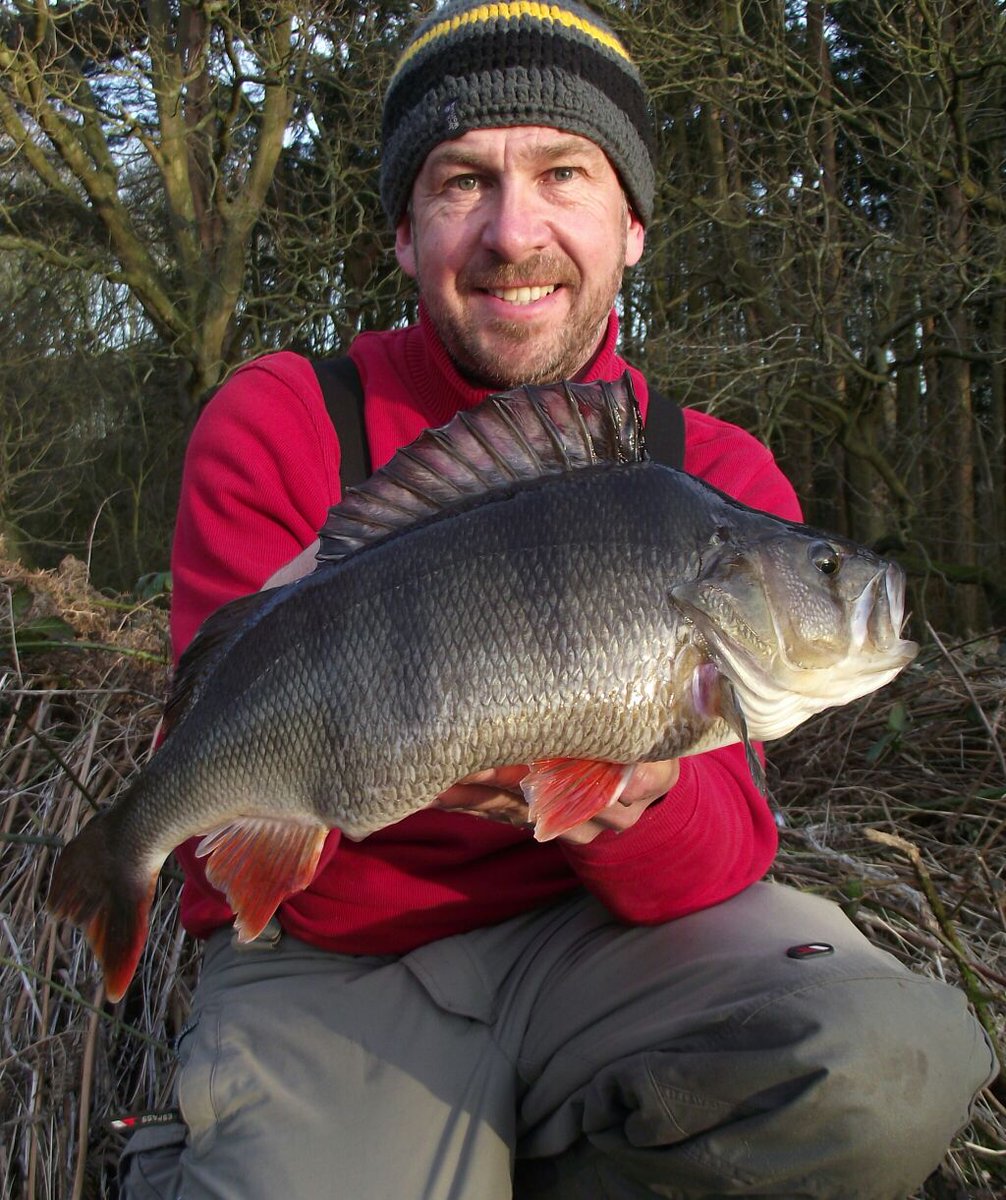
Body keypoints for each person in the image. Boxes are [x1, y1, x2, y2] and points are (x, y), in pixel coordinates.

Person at [120, 3, 996, 1197]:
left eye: (563, 173)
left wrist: (619, 794)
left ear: (631, 223)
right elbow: (239, 870)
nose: (511, 230)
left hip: (608, 951)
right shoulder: (279, 421)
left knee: (886, 1059)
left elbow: (718, 863)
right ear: (402, 229)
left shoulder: (714, 475)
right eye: (461, 181)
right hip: (338, 960)